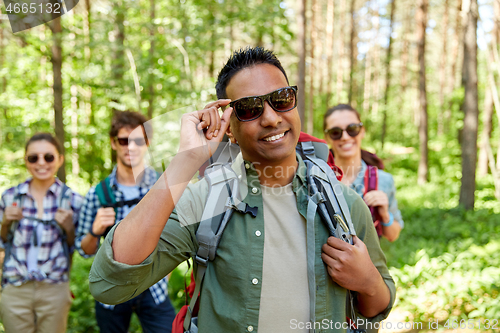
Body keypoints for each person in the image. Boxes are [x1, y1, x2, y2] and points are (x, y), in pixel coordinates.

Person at [89, 47, 395, 332]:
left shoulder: (342, 203)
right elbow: (110, 283)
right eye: (250, 108)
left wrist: (367, 279)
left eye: (282, 98)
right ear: (229, 127)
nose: (272, 118)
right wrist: (184, 162)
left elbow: (377, 308)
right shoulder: (206, 201)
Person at [75, 111, 176, 333]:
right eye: (123, 141)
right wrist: (94, 232)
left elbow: (177, 237)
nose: (131, 147)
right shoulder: (97, 194)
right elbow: (83, 250)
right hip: (112, 289)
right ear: (113, 143)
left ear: (147, 143)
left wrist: (165, 276)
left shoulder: (162, 187)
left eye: (138, 141)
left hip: (154, 287)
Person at [0, 133, 83, 333]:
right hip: (15, 287)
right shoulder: (10, 196)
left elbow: (81, 247)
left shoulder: (73, 200)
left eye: (48, 157)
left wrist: (69, 228)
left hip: (54, 288)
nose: (41, 163)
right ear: (26, 161)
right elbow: (3, 242)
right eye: (33, 157)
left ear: (60, 159)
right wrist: (4, 224)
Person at [323, 104, 404, 242]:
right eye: (336, 132)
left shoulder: (383, 180)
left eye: (352, 129)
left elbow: (393, 235)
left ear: (362, 131)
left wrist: (384, 214)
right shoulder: (317, 178)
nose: (345, 137)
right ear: (328, 137)